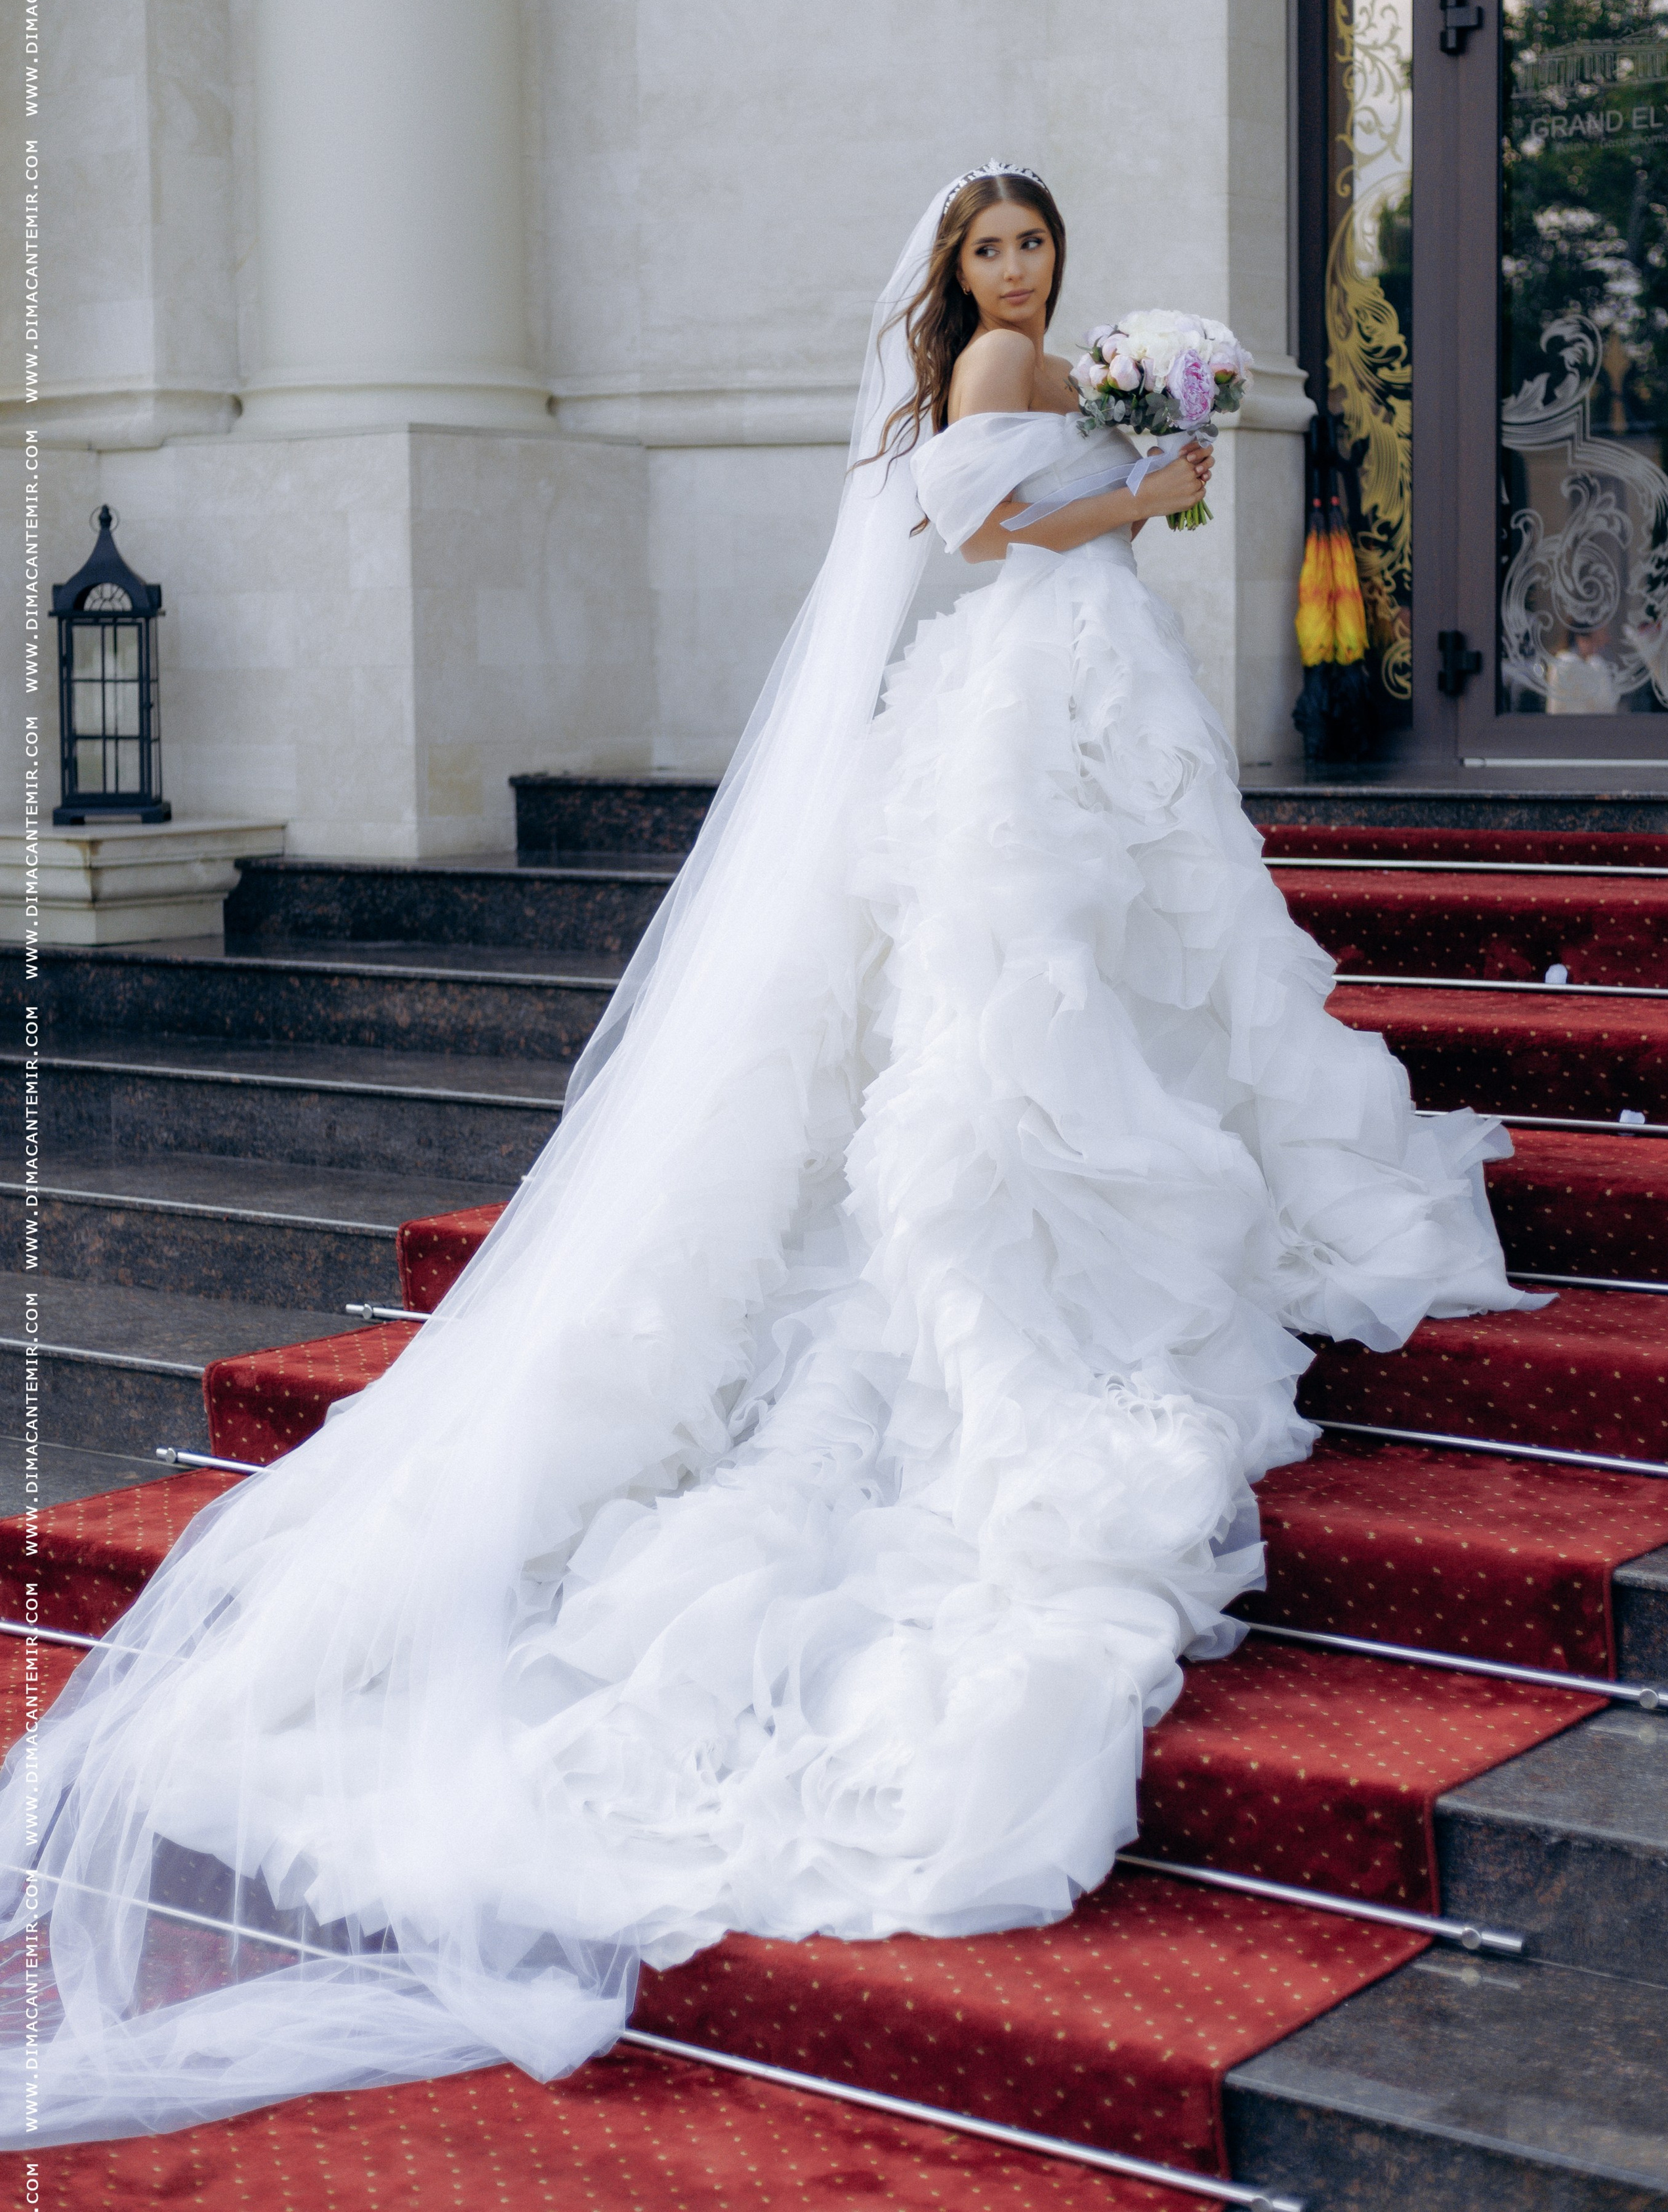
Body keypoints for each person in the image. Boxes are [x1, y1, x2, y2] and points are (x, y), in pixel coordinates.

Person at [0, 165, 1541, 2146]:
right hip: (1033, 685)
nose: (1017, 273)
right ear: (957, 274)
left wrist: (1144, 466)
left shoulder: (1033, 362)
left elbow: (1018, 514)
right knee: (1039, 986)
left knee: (1117, 967)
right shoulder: (1000, 370)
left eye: (1033, 246)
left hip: (1063, 682)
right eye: (990, 251)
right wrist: (1150, 488)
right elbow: (990, 529)